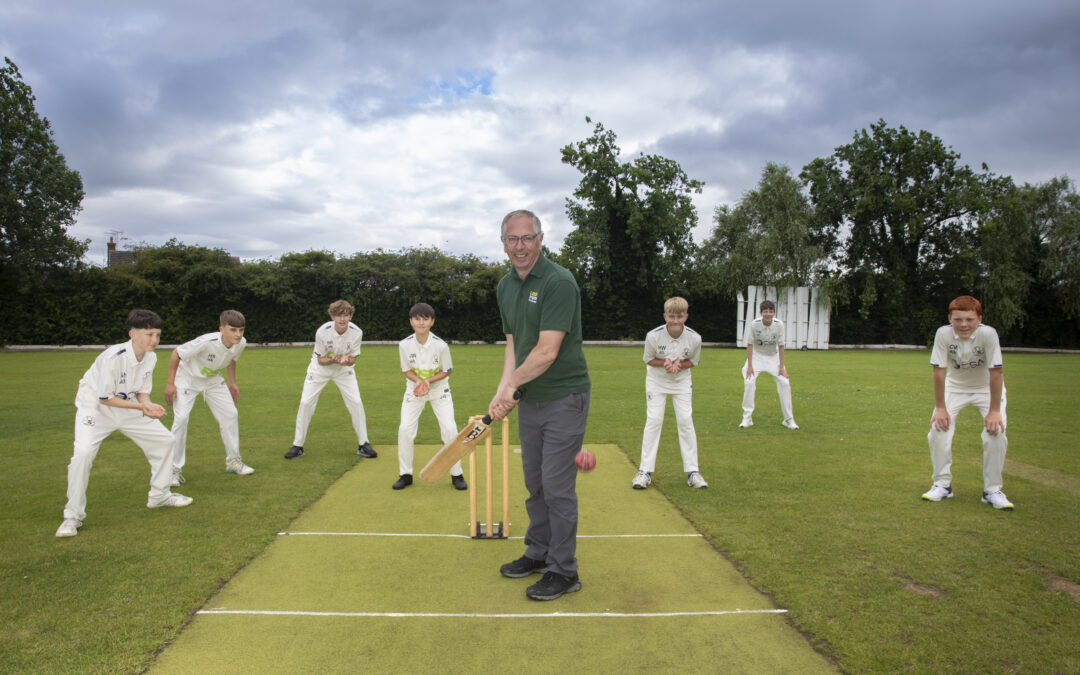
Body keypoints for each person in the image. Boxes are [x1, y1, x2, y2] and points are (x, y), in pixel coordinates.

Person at [489, 209, 591, 602]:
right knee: (535, 483)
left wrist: (513, 385)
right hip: (530, 401)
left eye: (527, 238)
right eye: (512, 239)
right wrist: (503, 392)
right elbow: (515, 344)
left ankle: (565, 571)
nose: (520, 246)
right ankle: (539, 551)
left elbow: (547, 351)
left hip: (565, 397)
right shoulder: (505, 287)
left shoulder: (558, 282)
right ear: (503, 243)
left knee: (557, 487)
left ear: (540, 239)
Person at [56, 310, 193, 538]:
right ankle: (72, 516)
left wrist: (147, 405)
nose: (154, 340)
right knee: (83, 453)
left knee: (165, 440)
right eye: (149, 334)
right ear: (132, 334)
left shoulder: (151, 357)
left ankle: (159, 496)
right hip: (95, 409)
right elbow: (104, 398)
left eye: (158, 335)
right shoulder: (113, 357)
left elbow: (141, 391)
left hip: (126, 404)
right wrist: (142, 408)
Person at [922, 295, 1013, 510]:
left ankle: (992, 490)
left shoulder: (988, 334)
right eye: (958, 319)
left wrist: (994, 411)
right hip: (955, 387)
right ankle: (942, 485)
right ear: (950, 318)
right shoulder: (943, 334)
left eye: (970, 320)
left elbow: (997, 373)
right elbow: (938, 372)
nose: (964, 325)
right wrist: (941, 407)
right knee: (938, 428)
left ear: (979, 318)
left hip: (986, 388)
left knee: (996, 432)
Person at [165, 310, 252, 485]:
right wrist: (170, 384)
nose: (238, 334)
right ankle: (173, 471)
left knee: (231, 415)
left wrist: (232, 383)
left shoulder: (241, 343)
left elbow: (232, 359)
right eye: (233, 330)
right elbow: (176, 354)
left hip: (212, 380)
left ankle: (234, 461)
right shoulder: (205, 342)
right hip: (187, 379)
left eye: (241, 330)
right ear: (222, 329)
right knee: (181, 420)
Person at [285, 300, 376, 460]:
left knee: (356, 402)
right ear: (332, 316)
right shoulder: (322, 332)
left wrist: (347, 360)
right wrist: (333, 360)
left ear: (351, 315)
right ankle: (297, 445)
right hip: (320, 369)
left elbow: (353, 358)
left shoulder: (357, 332)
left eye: (346, 315)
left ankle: (364, 444)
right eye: (339, 315)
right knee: (306, 403)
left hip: (343, 369)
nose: (342, 319)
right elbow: (321, 360)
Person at [633, 296, 707, 490]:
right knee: (654, 421)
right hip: (656, 381)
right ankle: (644, 472)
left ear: (686, 316)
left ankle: (693, 472)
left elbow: (694, 362)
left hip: (681, 382)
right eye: (671, 316)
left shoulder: (694, 338)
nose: (675, 320)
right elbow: (648, 360)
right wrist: (664, 363)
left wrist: (679, 365)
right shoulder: (653, 336)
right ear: (665, 315)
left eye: (679, 316)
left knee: (685, 421)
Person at [393, 302, 467, 490]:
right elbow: (406, 370)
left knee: (450, 429)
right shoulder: (404, 345)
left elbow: (447, 370)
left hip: (439, 391)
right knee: (404, 430)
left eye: (425, 319)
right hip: (414, 391)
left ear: (432, 322)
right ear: (411, 321)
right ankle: (405, 474)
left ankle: (457, 474)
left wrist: (428, 382)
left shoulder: (441, 346)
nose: (421, 323)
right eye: (417, 319)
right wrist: (418, 382)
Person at [740, 299, 798, 429]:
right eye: (765, 311)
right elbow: (749, 345)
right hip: (756, 356)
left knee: (784, 383)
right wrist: (750, 366)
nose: (768, 314)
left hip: (773, 357)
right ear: (761, 313)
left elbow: (781, 346)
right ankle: (747, 418)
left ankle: (788, 419)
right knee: (749, 382)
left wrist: (782, 367)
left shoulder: (779, 325)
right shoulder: (754, 324)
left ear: (774, 313)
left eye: (770, 311)